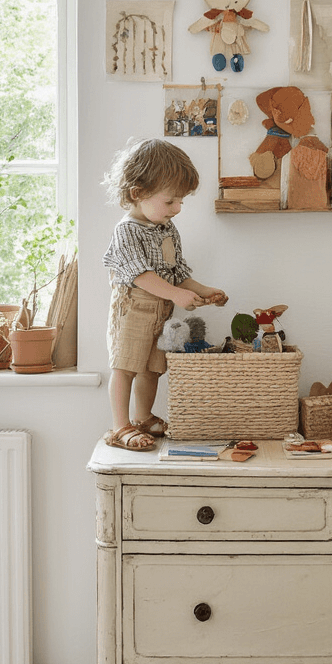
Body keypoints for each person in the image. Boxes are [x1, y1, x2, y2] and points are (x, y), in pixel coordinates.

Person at [102, 138, 228, 451]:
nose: (178, 208)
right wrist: (175, 295)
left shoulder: (167, 229)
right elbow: (141, 275)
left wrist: (202, 290)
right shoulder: (126, 231)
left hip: (161, 310)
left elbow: (177, 272)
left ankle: (143, 417)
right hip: (133, 308)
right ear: (137, 193)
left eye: (181, 201)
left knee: (152, 367)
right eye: (171, 200)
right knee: (126, 366)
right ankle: (120, 427)